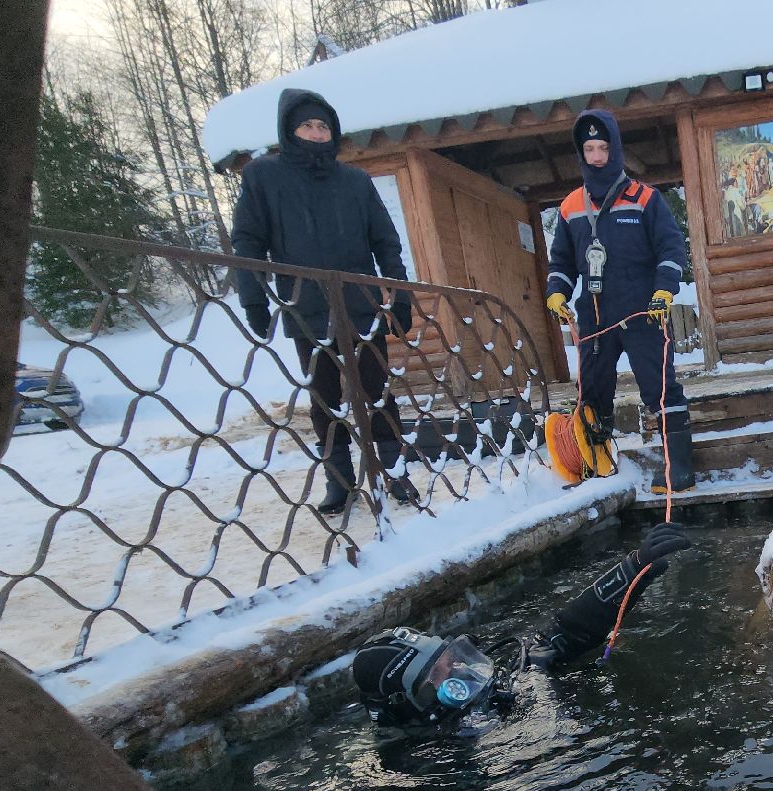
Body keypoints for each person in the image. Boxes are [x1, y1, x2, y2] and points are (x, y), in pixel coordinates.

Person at [230, 87, 419, 515]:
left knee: (378, 392)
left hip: (361, 306)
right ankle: (340, 483)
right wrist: (252, 298)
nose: (316, 134)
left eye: (323, 126)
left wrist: (399, 294)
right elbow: (248, 240)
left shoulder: (354, 181)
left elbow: (386, 243)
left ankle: (393, 473)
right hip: (307, 307)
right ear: (289, 130)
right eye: (307, 126)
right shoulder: (264, 177)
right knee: (324, 398)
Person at [352, 522, 691, 724]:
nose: (459, 672)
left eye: (450, 660)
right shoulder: (427, 767)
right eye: (439, 676)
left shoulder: (486, 686)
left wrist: (631, 571)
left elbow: (562, 633)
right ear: (409, 703)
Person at [544, 109, 696, 494]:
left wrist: (664, 290)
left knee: (660, 387)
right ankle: (597, 466)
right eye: (589, 149)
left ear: (615, 150)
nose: (596, 156)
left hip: (644, 311)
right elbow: (561, 259)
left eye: (603, 148)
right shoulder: (570, 207)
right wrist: (558, 291)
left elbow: (671, 247)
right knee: (593, 390)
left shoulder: (645, 199)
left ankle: (679, 473)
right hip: (595, 315)